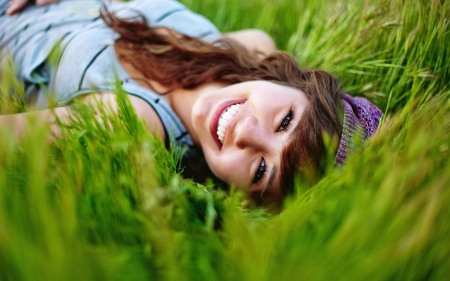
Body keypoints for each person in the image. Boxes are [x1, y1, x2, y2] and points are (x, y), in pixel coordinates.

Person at [0, 0, 382, 206]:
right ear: (301, 87)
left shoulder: (135, 119)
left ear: (241, 197)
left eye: (261, 169)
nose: (246, 131)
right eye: (285, 121)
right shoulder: (252, 46)